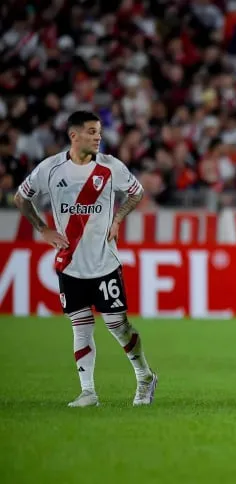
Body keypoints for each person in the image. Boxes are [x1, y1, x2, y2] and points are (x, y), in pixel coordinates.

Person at [14, 110, 156, 407]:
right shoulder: (50, 168)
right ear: (73, 135)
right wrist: (43, 229)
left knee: (118, 326)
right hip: (70, 264)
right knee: (81, 326)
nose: (98, 137)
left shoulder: (110, 167)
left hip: (105, 263)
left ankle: (144, 376)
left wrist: (117, 218)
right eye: (92, 131)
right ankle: (88, 391)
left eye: (99, 131)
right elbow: (21, 198)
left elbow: (137, 192)